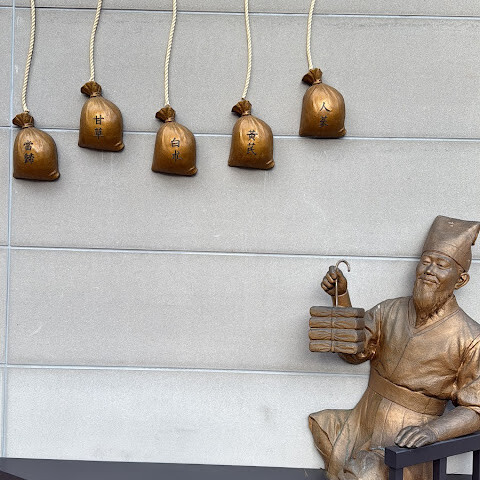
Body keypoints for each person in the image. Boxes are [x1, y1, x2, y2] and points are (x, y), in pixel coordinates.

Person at [309, 216, 480, 480]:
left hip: (407, 438)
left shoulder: (471, 337)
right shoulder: (389, 309)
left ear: (460, 280)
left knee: (366, 473)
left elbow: (476, 410)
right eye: (426, 262)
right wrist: (340, 296)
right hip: (363, 418)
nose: (429, 270)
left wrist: (433, 431)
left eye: (441, 265)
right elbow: (353, 352)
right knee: (322, 425)